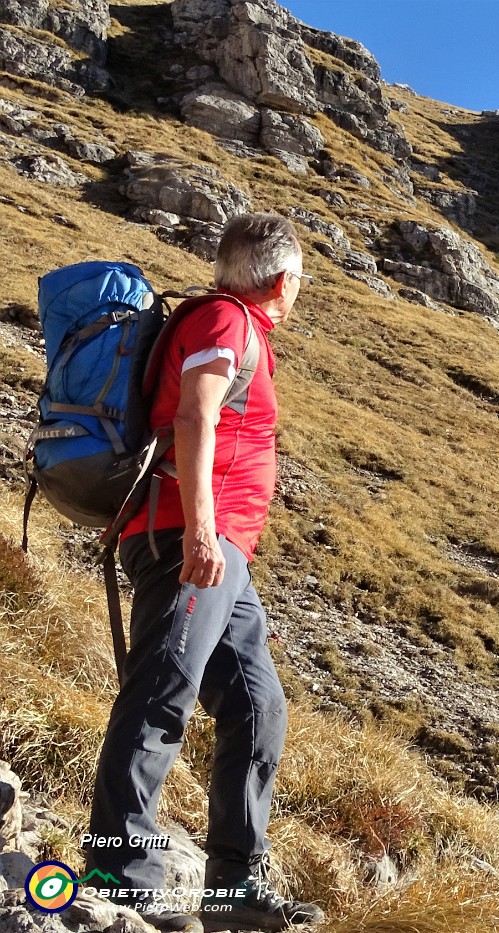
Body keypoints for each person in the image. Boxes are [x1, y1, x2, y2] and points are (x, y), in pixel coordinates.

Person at [86, 213, 323, 933]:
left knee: (257, 705)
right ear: (283, 281)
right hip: (188, 537)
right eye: (300, 279)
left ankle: (234, 889)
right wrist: (201, 530)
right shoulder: (226, 321)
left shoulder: (229, 321)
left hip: (223, 552)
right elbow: (196, 416)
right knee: (161, 693)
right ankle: (117, 876)